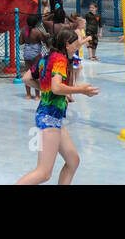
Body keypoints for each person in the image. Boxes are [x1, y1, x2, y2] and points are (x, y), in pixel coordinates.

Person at [16, 28, 98, 185]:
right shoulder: (60, 60)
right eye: (75, 44)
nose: (76, 48)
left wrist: (45, 89)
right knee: (44, 173)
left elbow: (27, 78)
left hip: (53, 117)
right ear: (67, 44)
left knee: (73, 161)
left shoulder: (47, 58)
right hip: (49, 118)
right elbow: (56, 88)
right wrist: (81, 90)